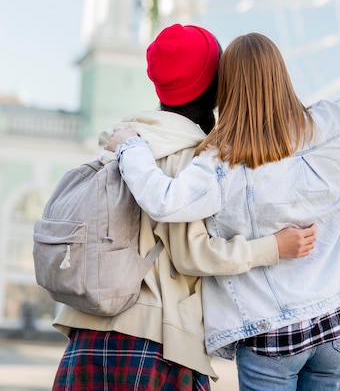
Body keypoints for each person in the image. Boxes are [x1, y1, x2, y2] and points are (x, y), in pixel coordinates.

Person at [106, 33, 340, 390]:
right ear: (281, 75)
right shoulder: (329, 123)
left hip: (271, 335)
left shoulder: (220, 163)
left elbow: (164, 199)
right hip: (334, 325)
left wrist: (130, 148)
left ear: (226, 88)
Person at [52, 24, 315, 390]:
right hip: (155, 342)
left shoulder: (123, 143)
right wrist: (274, 247)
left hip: (85, 336)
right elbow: (192, 255)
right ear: (215, 87)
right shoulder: (194, 159)